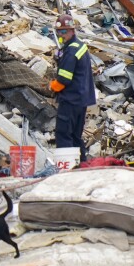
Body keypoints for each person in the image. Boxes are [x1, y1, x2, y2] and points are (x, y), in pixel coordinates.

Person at [49, 14, 96, 160]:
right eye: (59, 32)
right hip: (81, 99)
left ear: (72, 31)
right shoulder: (79, 45)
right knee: (76, 136)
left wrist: (52, 86)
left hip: (70, 99)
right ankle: (82, 166)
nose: (61, 35)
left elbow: (64, 79)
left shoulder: (70, 51)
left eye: (64, 32)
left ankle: (67, 169)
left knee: (63, 134)